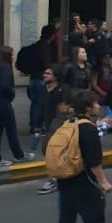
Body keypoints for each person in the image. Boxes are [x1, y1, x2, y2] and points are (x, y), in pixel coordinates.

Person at [56, 90, 112, 223]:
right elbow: (94, 161)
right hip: (85, 182)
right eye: (96, 104)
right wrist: (103, 182)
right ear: (88, 108)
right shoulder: (87, 129)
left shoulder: (66, 124)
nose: (99, 106)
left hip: (65, 180)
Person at [0, 46, 31, 166]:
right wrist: (12, 93)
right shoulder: (5, 68)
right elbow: (5, 87)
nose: (13, 57)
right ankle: (19, 155)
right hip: (3, 104)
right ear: (8, 56)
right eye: (11, 55)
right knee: (11, 130)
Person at [36, 66, 67, 195]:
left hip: (59, 126)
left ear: (56, 76)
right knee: (50, 153)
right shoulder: (44, 90)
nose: (45, 75)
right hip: (48, 125)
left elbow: (66, 108)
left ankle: (52, 180)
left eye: (48, 73)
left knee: (50, 153)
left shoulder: (63, 90)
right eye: (44, 73)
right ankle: (57, 178)